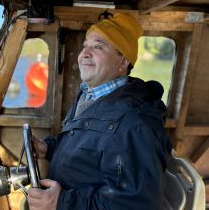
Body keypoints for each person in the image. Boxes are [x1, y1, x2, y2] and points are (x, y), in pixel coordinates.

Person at [27, 12, 173, 210]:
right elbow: (88, 150)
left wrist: (60, 202)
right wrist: (49, 149)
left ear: (123, 63)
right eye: (85, 45)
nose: (85, 53)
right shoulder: (90, 95)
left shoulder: (134, 124)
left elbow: (136, 204)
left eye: (98, 47)